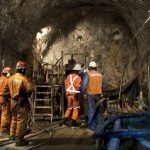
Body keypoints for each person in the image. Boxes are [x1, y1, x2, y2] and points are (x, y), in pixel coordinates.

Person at [8, 61, 33, 146]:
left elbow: (5, 90)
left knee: (14, 119)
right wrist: (27, 95)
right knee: (21, 121)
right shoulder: (24, 79)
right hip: (21, 103)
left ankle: (12, 135)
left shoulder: (10, 78)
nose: (25, 71)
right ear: (22, 70)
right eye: (25, 69)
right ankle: (19, 139)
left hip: (12, 102)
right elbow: (30, 89)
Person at [81, 61, 103, 132]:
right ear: (96, 67)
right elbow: (104, 84)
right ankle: (97, 125)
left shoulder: (88, 74)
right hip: (99, 95)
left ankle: (91, 126)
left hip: (91, 94)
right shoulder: (100, 74)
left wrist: (84, 93)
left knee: (91, 110)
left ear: (89, 67)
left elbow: (84, 85)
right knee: (98, 111)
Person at [60, 64, 82, 128]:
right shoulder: (78, 78)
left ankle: (63, 122)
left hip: (68, 95)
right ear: (78, 71)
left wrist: (66, 92)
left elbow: (66, 84)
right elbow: (78, 87)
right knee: (76, 108)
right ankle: (73, 123)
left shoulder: (68, 76)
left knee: (69, 108)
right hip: (75, 95)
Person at [0, 67, 12, 136]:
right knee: (5, 113)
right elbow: (7, 90)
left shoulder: (0, 78)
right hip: (4, 98)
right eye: (10, 74)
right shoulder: (7, 80)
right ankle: (3, 130)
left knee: (1, 113)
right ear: (7, 74)